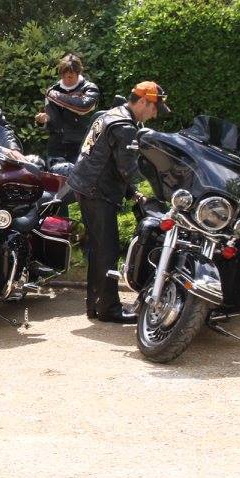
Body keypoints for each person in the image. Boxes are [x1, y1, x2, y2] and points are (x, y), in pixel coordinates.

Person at [67, 81, 171, 323]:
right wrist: (154, 191)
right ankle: (108, 309)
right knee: (107, 251)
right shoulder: (124, 126)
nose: (155, 115)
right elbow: (130, 169)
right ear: (143, 101)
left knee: (98, 249)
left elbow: (113, 161)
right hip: (97, 191)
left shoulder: (112, 114)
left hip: (88, 186)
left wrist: (133, 192)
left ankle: (96, 305)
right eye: (154, 108)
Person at [34, 53, 100, 163]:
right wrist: (43, 120)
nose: (66, 79)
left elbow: (83, 107)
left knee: (78, 174)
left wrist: (56, 96)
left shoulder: (89, 88)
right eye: (63, 76)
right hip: (56, 146)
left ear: (78, 73)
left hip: (81, 145)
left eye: (70, 76)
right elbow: (50, 118)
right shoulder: (54, 90)